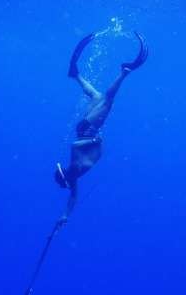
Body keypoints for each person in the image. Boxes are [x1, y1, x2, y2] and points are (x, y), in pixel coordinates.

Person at [54, 31, 149, 227]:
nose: (66, 170)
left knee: (107, 101)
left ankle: (125, 71)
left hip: (88, 130)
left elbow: (74, 146)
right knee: (97, 97)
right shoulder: (74, 178)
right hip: (86, 129)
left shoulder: (74, 169)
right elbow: (73, 198)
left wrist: (94, 140)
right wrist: (65, 216)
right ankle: (75, 75)